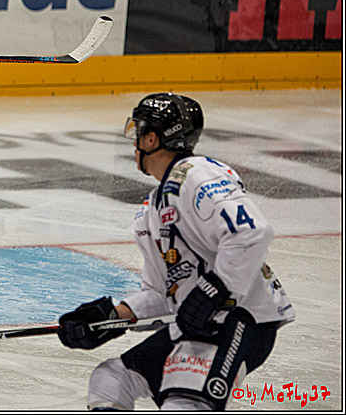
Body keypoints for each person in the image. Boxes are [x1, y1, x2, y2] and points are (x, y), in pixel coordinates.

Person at [57, 93, 295, 410]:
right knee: (112, 378)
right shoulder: (152, 210)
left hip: (239, 317)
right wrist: (113, 318)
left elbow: (251, 232)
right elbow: (162, 293)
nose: (134, 143)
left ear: (153, 137)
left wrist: (213, 290)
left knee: (183, 403)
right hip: (200, 322)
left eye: (138, 132)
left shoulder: (197, 174)